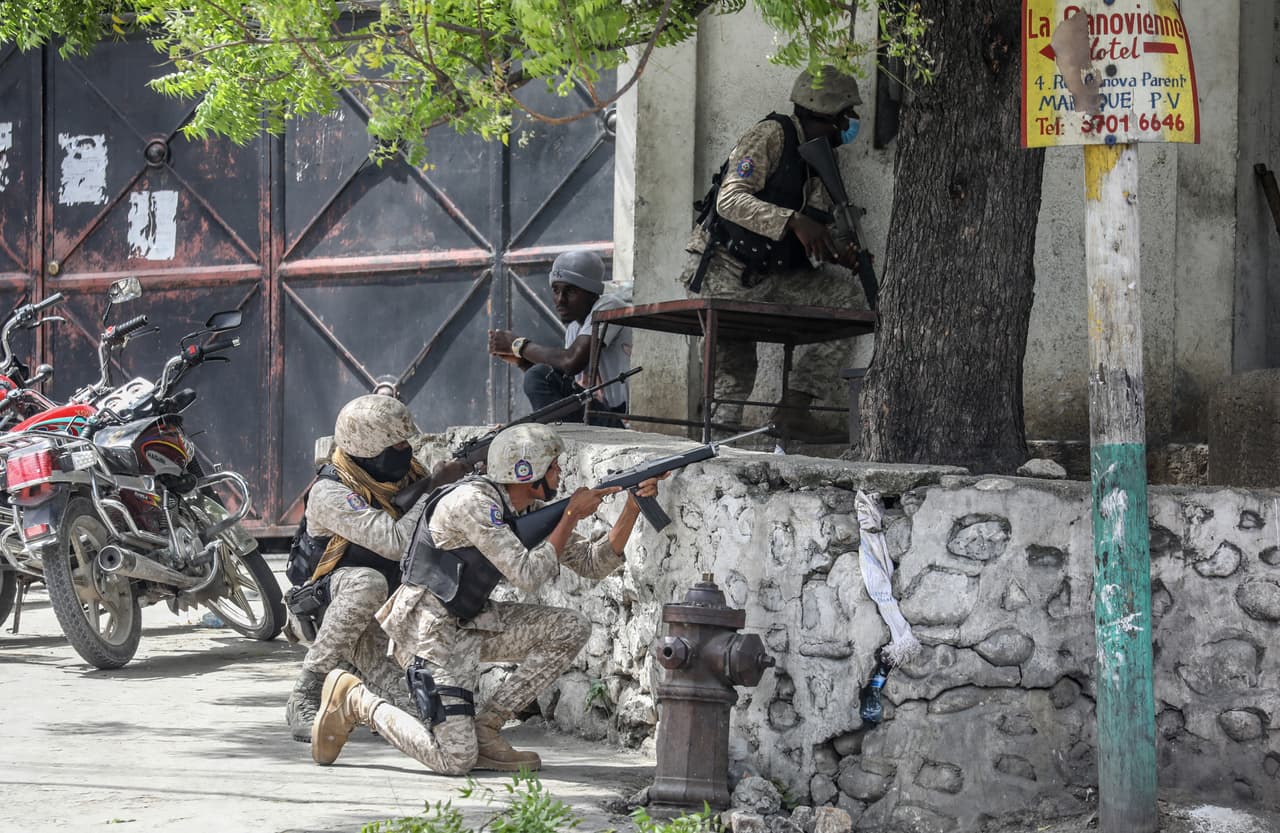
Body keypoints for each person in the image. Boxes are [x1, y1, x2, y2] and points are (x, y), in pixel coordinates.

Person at [308, 423, 664, 774]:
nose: (559, 473)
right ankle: (357, 702)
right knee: (455, 760)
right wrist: (570, 515)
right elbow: (526, 575)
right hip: (432, 634)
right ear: (527, 472)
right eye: (552, 466)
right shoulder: (473, 503)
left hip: (474, 621)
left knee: (570, 627)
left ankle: (488, 727)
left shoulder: (525, 508)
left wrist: (632, 505)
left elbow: (593, 562)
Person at [679, 66, 869, 442]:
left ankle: (794, 408)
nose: (847, 126)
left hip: (774, 276)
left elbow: (811, 233)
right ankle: (713, 447)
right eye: (844, 116)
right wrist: (794, 221)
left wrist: (836, 250)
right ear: (823, 113)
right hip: (725, 270)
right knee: (734, 372)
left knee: (846, 300)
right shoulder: (770, 135)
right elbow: (730, 200)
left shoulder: (819, 159)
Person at [284, 394, 444, 742]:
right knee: (368, 581)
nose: (406, 450)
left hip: (383, 614)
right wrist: (433, 489)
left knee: (423, 713)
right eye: (396, 443)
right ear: (368, 448)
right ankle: (305, 693)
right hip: (330, 606)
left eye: (406, 441)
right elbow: (396, 540)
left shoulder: (408, 476)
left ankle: (351, 683)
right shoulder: (330, 492)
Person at [488, 250, 632, 426]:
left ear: (592, 292)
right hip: (603, 414)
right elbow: (559, 384)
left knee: (538, 375)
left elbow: (571, 362)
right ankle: (553, 438)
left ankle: (553, 437)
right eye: (556, 290)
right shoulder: (574, 328)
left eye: (570, 291)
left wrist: (519, 345)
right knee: (539, 375)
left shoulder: (610, 307)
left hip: (624, 421)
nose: (560, 300)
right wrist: (521, 361)